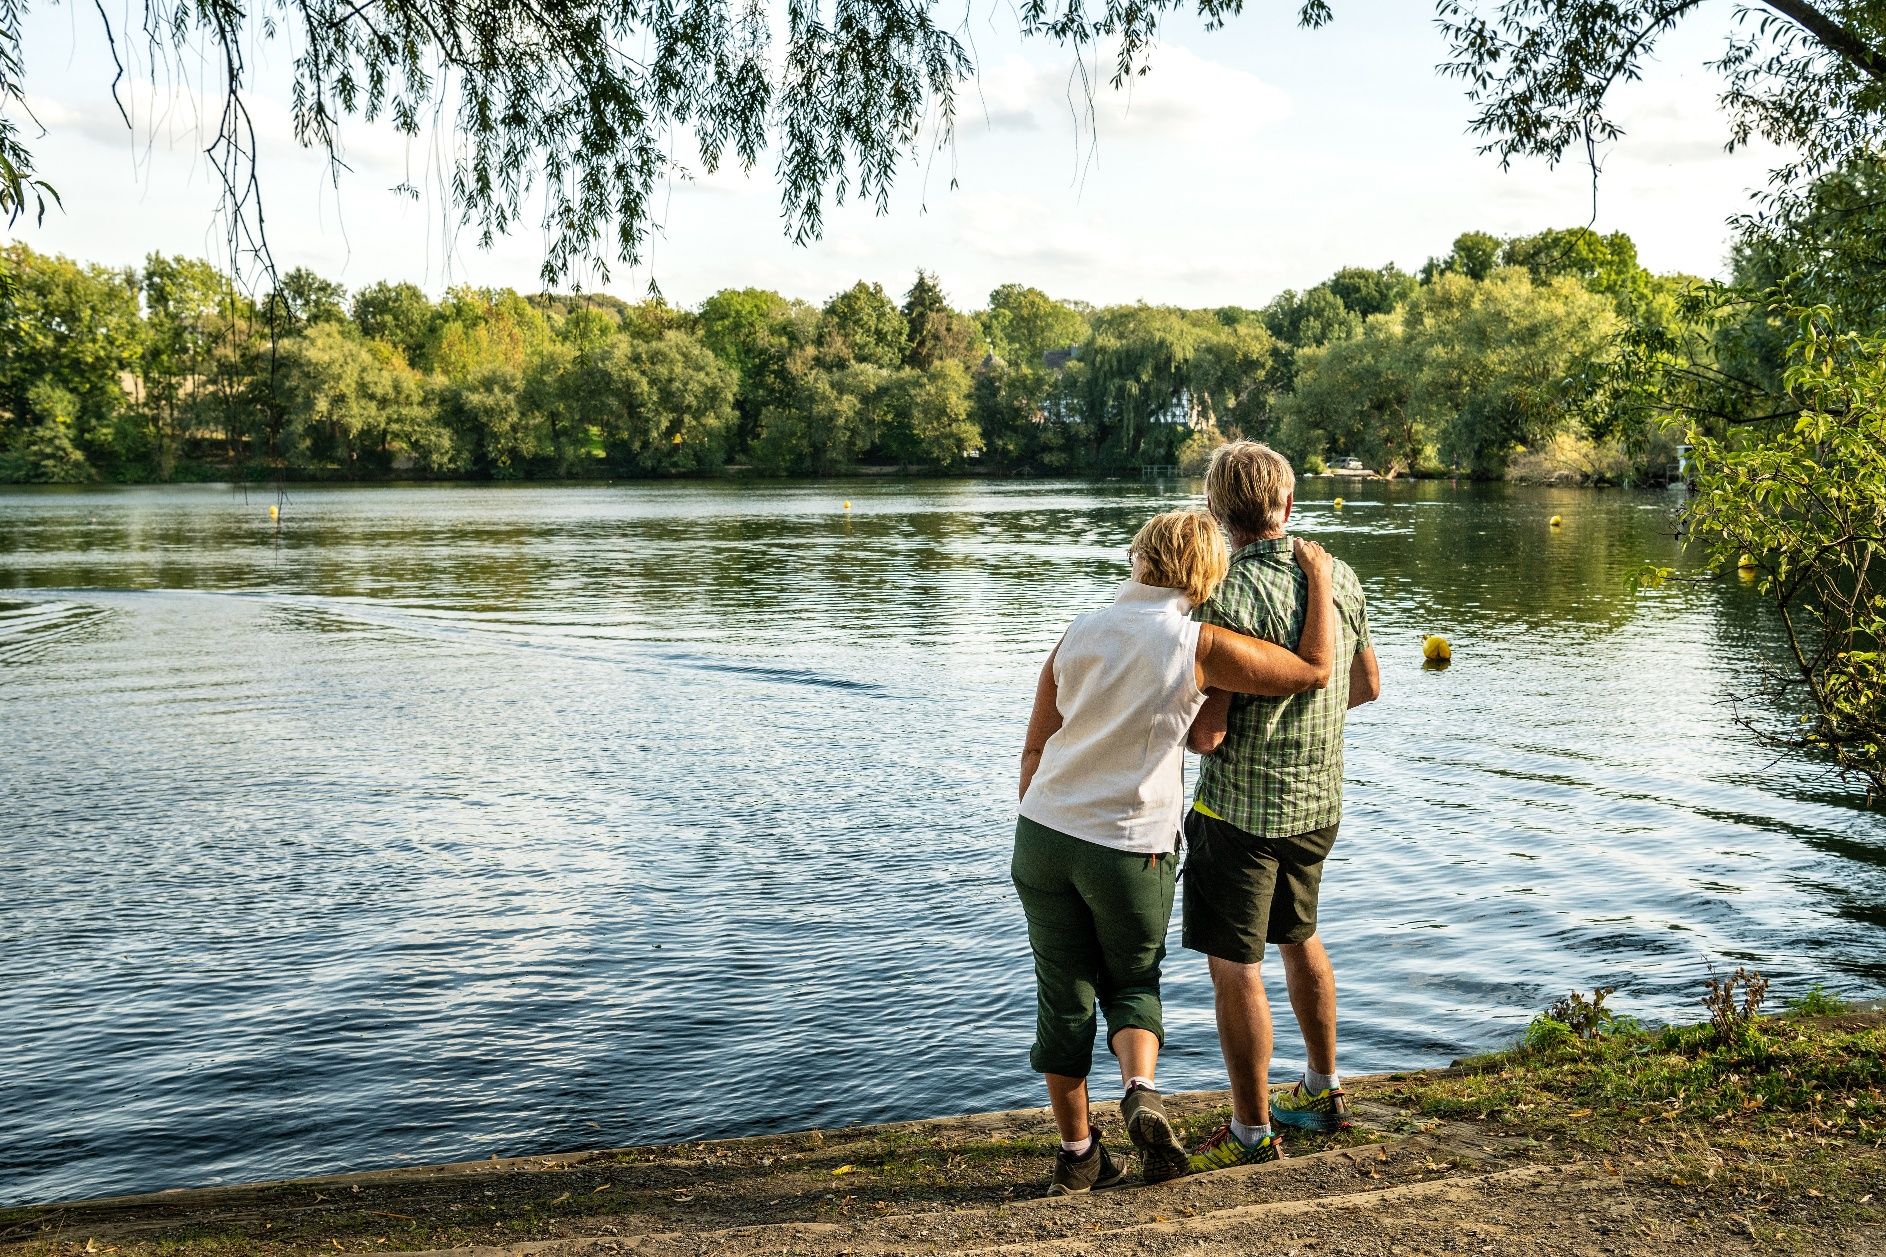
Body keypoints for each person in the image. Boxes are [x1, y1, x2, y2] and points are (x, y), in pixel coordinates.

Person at [1014, 508, 1337, 1196]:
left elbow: (1037, 746)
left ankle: (1077, 1154)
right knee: (1132, 981)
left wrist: (1038, 819)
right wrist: (1316, 576)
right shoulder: (1197, 643)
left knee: (1062, 994)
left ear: (1139, 557)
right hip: (1129, 847)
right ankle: (1140, 1089)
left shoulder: (1080, 627)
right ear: (1208, 574)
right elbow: (1313, 671)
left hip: (1041, 836)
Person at [1181, 442, 1381, 1173]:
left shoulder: (1220, 594)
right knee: (1302, 936)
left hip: (1238, 814)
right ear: (1288, 505)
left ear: (1216, 513)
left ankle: (1249, 1127)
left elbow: (1209, 732)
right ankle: (1324, 1090)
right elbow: (1366, 686)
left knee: (1237, 965)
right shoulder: (1342, 578)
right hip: (1317, 800)